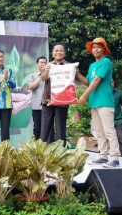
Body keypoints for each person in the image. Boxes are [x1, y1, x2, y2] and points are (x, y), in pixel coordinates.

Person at [77, 37, 120, 168]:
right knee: (99, 132)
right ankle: (103, 156)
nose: (96, 49)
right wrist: (77, 74)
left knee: (109, 131)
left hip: (105, 102)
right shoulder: (92, 66)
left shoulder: (106, 62)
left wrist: (84, 95)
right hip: (94, 102)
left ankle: (115, 158)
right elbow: (88, 81)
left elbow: (97, 81)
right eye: (94, 47)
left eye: (98, 47)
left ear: (103, 49)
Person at [40, 44, 71, 146]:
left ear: (64, 53)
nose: (58, 52)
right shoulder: (48, 65)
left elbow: (71, 81)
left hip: (62, 101)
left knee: (60, 129)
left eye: (61, 51)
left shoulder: (69, 66)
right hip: (48, 100)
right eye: (56, 51)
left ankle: (60, 153)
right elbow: (43, 78)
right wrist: (47, 70)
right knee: (45, 128)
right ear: (53, 53)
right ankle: (43, 152)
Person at [28, 56, 47, 140]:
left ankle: (48, 145)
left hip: (48, 105)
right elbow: (31, 87)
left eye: (45, 62)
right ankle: (37, 146)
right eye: (41, 62)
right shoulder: (32, 75)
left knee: (48, 127)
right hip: (37, 106)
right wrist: (40, 76)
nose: (43, 64)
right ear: (37, 65)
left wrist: (46, 74)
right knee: (37, 127)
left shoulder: (50, 75)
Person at [112, 79, 122, 153]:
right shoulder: (103, 93)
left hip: (118, 119)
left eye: (111, 82)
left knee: (120, 136)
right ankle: (103, 154)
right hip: (106, 121)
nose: (110, 83)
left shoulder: (119, 92)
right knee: (104, 137)